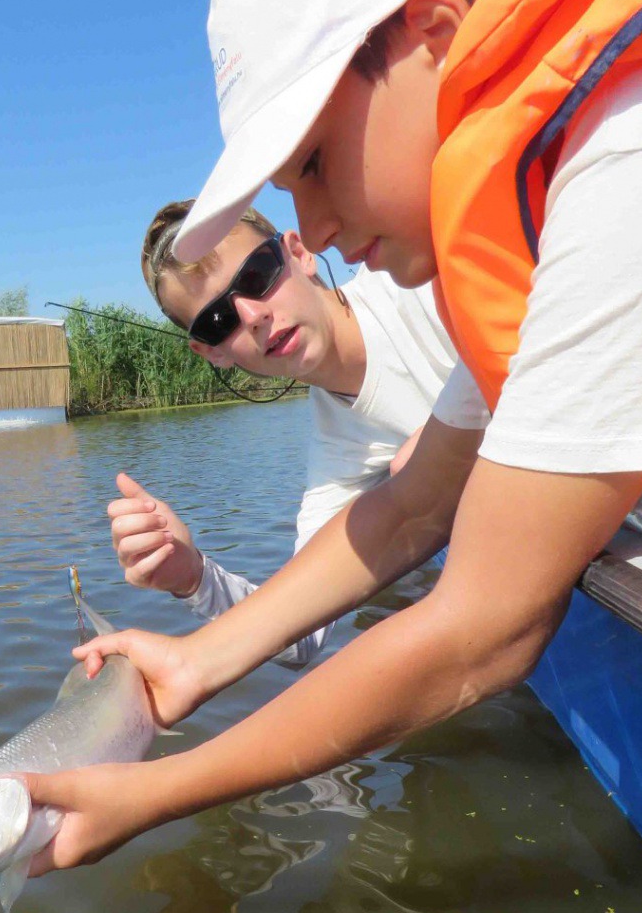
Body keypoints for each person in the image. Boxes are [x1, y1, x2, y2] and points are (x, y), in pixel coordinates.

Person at [25, 0, 642, 874]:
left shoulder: (616, 168)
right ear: (211, 356)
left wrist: (152, 793)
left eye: (314, 163)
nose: (317, 225)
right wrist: (196, 638)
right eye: (212, 325)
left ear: (435, 32)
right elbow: (407, 512)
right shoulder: (494, 271)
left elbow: (486, 624)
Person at [108, 198, 487, 667]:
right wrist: (192, 577)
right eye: (218, 321)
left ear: (299, 253)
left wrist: (446, 444)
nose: (251, 315)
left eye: (256, 276)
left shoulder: (417, 282)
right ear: (212, 353)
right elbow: (299, 639)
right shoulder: (337, 458)